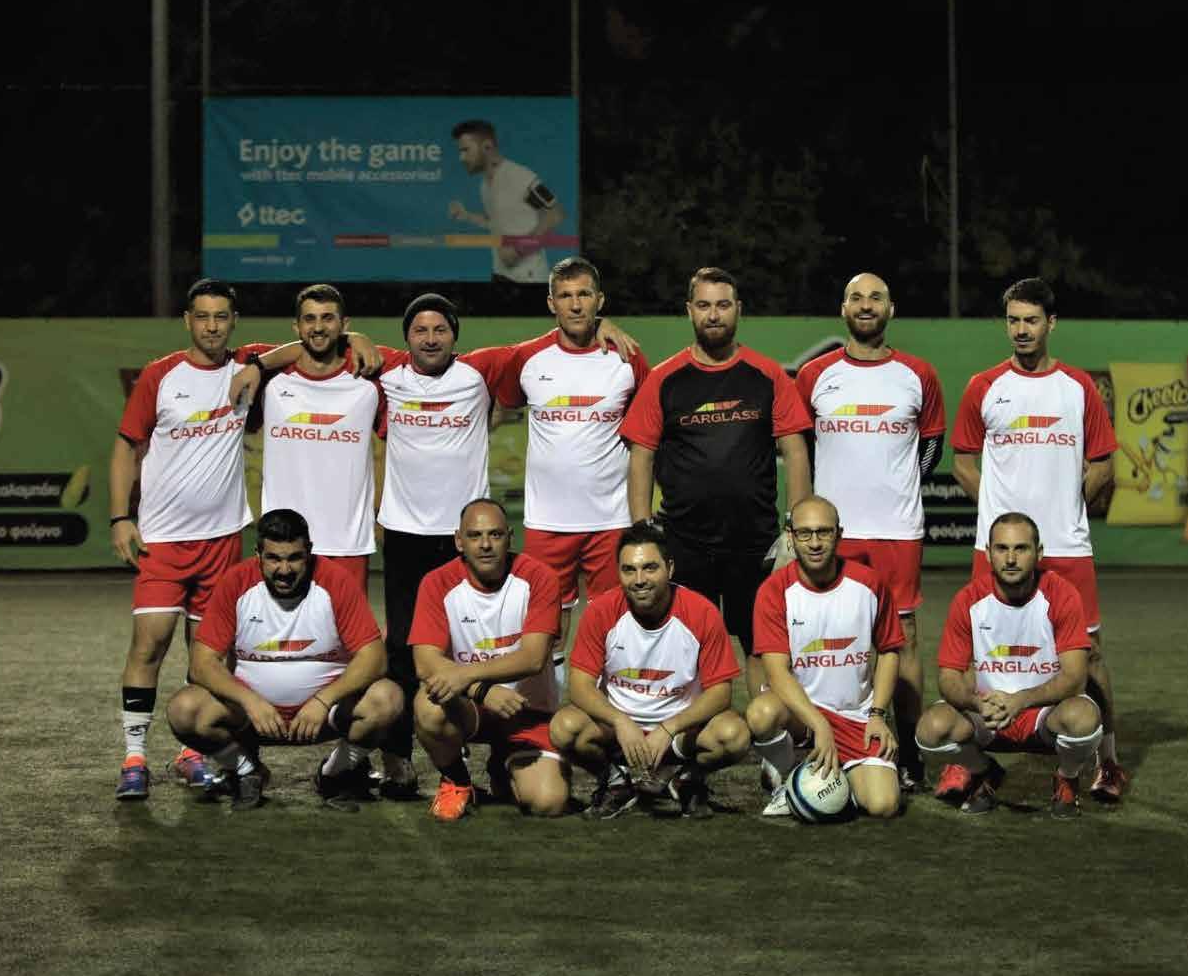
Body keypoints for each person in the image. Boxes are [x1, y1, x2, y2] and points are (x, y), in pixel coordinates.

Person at [229, 294, 636, 800]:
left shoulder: (480, 370)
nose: (430, 338)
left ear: (454, 335)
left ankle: (499, 747)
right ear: (406, 338)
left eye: (440, 329)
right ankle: (397, 762)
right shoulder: (388, 370)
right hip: (405, 534)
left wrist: (598, 325)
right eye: (420, 330)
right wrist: (261, 361)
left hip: (466, 538)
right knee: (402, 650)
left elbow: (548, 342)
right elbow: (314, 343)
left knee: (483, 642)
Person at [949, 277, 1126, 802]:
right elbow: (962, 463)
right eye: (1013, 320)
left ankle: (1109, 763)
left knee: (1090, 655)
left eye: (1031, 320)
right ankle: (967, 758)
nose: (1021, 330)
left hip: (1066, 547)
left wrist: (1069, 505)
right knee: (976, 651)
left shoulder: (1078, 387)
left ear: (1051, 323)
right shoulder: (984, 386)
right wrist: (996, 515)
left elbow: (1103, 463)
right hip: (996, 549)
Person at [621, 266, 812, 718]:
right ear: (689, 310)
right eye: (704, 305)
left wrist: (795, 529)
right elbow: (641, 457)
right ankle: (690, 741)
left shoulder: (767, 375)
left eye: (723, 305)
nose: (713, 315)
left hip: (755, 541)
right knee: (686, 646)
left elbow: (795, 451)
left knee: (761, 647)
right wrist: (642, 531)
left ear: (738, 310)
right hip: (684, 542)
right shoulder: (664, 379)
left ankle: (770, 739)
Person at [110, 278, 273, 800]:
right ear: (187, 321)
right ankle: (134, 757)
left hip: (222, 540)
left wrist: (258, 365)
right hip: (163, 541)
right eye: (202, 316)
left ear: (234, 321)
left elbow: (307, 346)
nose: (212, 326)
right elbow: (126, 446)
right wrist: (120, 517)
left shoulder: (244, 364)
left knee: (209, 656)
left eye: (221, 316)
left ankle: (192, 752)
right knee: (150, 643)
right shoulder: (160, 376)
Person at [793, 272, 945, 791]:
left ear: (890, 308)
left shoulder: (918, 374)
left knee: (903, 640)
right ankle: (816, 741)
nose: (865, 305)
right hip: (831, 532)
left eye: (875, 297)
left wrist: (896, 486)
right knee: (821, 635)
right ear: (843, 308)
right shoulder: (814, 376)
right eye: (856, 297)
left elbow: (931, 445)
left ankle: (911, 754)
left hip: (896, 530)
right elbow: (800, 448)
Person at [164, 509, 401, 810]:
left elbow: (374, 657)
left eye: (294, 558)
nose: (284, 570)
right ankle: (247, 772)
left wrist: (323, 701)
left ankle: (334, 773)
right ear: (258, 555)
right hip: (251, 716)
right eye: (274, 558)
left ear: (309, 552)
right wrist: (250, 701)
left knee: (388, 699)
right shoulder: (236, 582)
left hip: (326, 715)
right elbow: (202, 663)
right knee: (184, 709)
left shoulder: (335, 580)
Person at [495, 256, 650, 686]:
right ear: (551, 303)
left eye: (584, 294)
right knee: (548, 631)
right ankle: (547, 715)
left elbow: (648, 432)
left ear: (600, 300)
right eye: (565, 296)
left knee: (614, 626)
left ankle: (610, 711)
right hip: (547, 521)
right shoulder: (527, 358)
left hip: (611, 519)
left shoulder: (627, 357)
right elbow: (500, 407)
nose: (576, 305)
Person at [550, 520, 751, 819]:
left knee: (734, 735)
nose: (639, 579)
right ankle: (616, 782)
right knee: (564, 728)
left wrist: (669, 728)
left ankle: (684, 780)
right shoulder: (601, 611)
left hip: (681, 733)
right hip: (618, 732)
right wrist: (620, 721)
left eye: (649, 568)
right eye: (629, 570)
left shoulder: (702, 612)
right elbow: (579, 686)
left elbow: (721, 693)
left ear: (669, 568)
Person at [914, 513, 1104, 818]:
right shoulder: (968, 600)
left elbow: (1075, 678)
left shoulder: (1062, 595)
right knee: (931, 729)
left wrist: (1021, 700)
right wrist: (977, 703)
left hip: (1045, 713)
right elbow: (948, 678)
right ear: (988, 553)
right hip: (987, 713)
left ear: (1038, 553)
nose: (1011, 559)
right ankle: (984, 772)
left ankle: (1067, 777)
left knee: (1084, 719)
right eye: (1002, 549)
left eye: (1021, 548)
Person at [747, 496, 904, 819]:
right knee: (761, 713)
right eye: (804, 533)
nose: (815, 543)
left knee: (883, 805)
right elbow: (776, 672)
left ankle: (834, 775)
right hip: (800, 714)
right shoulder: (774, 591)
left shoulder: (869, 583)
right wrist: (819, 724)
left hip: (856, 716)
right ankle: (786, 773)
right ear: (790, 536)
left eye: (823, 532)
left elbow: (889, 650)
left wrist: (877, 714)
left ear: (839, 534)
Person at [408, 499, 566, 820]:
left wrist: (468, 677)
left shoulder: (540, 578)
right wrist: (483, 691)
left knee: (548, 803)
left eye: (495, 534)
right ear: (459, 541)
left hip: (527, 711)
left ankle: (502, 766)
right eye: (474, 535)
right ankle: (457, 781)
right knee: (428, 705)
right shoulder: (436, 583)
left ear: (510, 538)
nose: (485, 545)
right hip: (470, 708)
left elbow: (533, 658)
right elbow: (425, 663)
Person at [258, 284, 382, 594]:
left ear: (344, 324)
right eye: (309, 319)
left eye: (328, 318)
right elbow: (240, 360)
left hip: (347, 544)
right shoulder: (269, 380)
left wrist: (358, 339)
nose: (317, 327)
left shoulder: (369, 382)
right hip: (283, 546)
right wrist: (255, 366)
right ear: (296, 327)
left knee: (348, 626)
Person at [448, 119, 566, 284]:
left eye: (466, 150)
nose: (461, 158)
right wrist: (466, 215)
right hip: (500, 275)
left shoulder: (519, 177)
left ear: (487, 147)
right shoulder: (485, 185)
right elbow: (496, 222)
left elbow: (555, 214)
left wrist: (518, 251)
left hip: (529, 277)